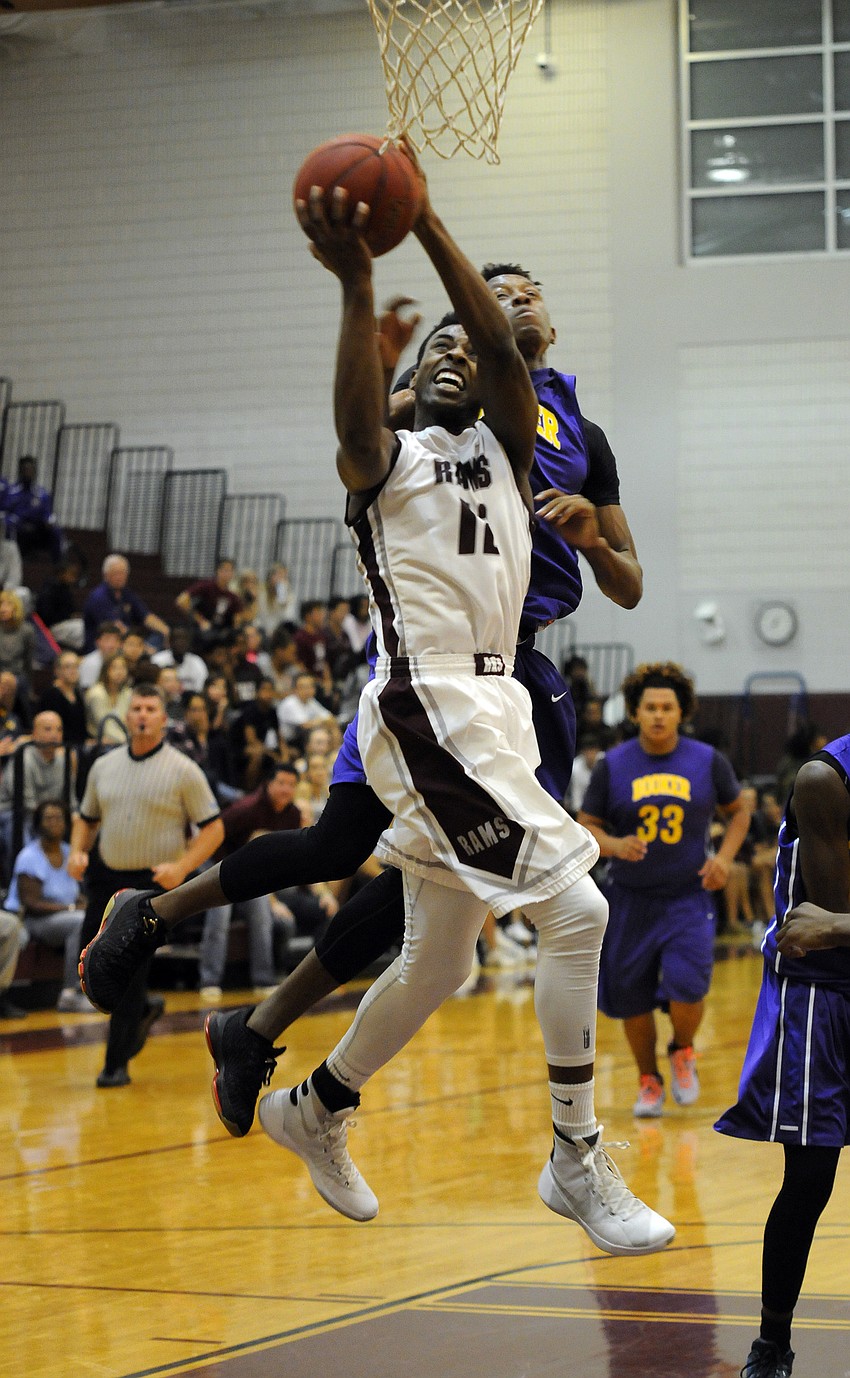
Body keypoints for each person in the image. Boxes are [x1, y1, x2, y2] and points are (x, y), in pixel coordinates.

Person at [82, 154, 672, 1257]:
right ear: (406, 379)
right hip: (430, 702)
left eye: (469, 347)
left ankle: (314, 1106)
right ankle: (574, 1154)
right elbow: (359, 419)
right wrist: (357, 285)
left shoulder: (512, 445)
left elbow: (500, 346)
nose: (457, 351)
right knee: (579, 913)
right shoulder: (386, 463)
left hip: (498, 705)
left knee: (442, 959)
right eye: (436, 346)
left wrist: (431, 222)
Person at [715, 731, 850, 1378]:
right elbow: (831, 920)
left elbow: (840, 925)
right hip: (822, 992)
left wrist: (842, 926)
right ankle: (772, 1342)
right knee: (810, 1178)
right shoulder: (826, 780)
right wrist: (842, 925)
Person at [578, 662, 751, 1117]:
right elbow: (586, 825)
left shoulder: (707, 760)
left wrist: (724, 859)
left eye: (667, 707)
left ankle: (682, 1048)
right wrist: (615, 844)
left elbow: (740, 810)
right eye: (650, 707)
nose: (658, 715)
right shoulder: (613, 765)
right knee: (631, 996)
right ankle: (648, 1080)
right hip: (629, 899)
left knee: (688, 987)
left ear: (681, 712)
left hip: (687, 897)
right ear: (635, 712)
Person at [70, 684, 224, 1087]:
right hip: (106, 876)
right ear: (127, 715)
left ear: (162, 719)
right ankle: (142, 1012)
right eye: (136, 707)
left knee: (128, 970)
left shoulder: (183, 769)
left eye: (150, 708)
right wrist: (77, 852)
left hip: (151, 884)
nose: (141, 714)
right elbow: (85, 817)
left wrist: (183, 868)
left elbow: (214, 828)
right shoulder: (103, 765)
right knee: (89, 960)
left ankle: (114, 1065)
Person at [197, 763, 321, 999]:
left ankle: (263, 979)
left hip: (251, 875)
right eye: (281, 783)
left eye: (291, 785)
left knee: (262, 916)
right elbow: (215, 834)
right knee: (219, 916)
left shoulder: (293, 815)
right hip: (219, 867)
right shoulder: (246, 808)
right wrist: (222, 871)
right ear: (269, 784)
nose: (286, 789)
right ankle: (209, 981)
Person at [6, 800, 89, 1013]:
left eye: (59, 817)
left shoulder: (69, 852)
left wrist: (83, 903)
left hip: (64, 917)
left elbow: (73, 892)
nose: (54, 822)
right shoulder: (29, 856)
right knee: (79, 922)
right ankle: (70, 993)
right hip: (34, 921)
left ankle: (97, 988)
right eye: (48, 818)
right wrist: (71, 909)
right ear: (38, 824)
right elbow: (31, 904)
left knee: (93, 916)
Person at [0, 710, 76, 869]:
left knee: (78, 825)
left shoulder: (64, 761)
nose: (54, 735)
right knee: (22, 828)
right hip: (17, 813)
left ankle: (70, 877)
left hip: (51, 815)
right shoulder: (23, 757)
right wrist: (52, 818)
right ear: (34, 733)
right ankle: (24, 875)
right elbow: (25, 803)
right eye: (48, 729)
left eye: (59, 729)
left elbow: (70, 801)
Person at [82, 555, 169, 652]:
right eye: (116, 573)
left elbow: (145, 616)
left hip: (128, 643)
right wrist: (143, 648)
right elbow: (118, 628)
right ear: (106, 575)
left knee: (159, 635)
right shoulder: (98, 597)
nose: (120, 577)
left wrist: (165, 630)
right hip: (104, 648)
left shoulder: (125, 593)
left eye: (123, 573)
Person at [5, 455, 64, 562]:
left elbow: (47, 514)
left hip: (37, 529)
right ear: (20, 471)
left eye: (31, 469)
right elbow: (5, 511)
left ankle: (58, 564)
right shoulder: (11, 491)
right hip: (18, 528)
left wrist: (49, 521)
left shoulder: (42, 493)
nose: (28, 472)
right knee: (9, 526)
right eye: (25, 469)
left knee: (56, 531)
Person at [175, 557, 242, 648]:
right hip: (202, 627)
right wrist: (200, 620)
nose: (227, 574)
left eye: (230, 571)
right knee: (206, 636)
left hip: (221, 629)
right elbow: (181, 600)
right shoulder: (207, 586)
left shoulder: (233, 595)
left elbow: (237, 620)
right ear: (217, 571)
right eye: (225, 570)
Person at [34, 552, 86, 650]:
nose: (74, 578)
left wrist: (74, 615)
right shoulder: (50, 590)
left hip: (66, 623)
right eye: (71, 574)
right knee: (81, 629)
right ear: (62, 574)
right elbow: (47, 615)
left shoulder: (65, 588)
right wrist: (69, 616)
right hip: (53, 627)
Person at [39, 651, 87, 747]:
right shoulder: (51, 695)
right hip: (58, 747)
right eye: (68, 667)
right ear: (57, 671)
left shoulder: (77, 693)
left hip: (78, 746)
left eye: (76, 666)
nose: (73, 671)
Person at [84, 652, 132, 744]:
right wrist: (129, 742)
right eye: (114, 668)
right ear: (106, 670)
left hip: (122, 741)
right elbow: (106, 727)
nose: (119, 672)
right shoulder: (97, 693)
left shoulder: (127, 693)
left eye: (123, 667)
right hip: (100, 742)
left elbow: (128, 723)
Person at [152, 622, 208, 694]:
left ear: (189, 642)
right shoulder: (157, 660)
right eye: (177, 638)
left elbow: (201, 689)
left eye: (184, 639)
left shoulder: (197, 662)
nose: (180, 642)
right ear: (170, 641)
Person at [78, 621, 123, 691]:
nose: (112, 645)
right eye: (107, 640)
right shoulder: (90, 663)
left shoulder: (122, 660)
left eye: (116, 640)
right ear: (98, 642)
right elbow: (86, 691)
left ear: (121, 644)